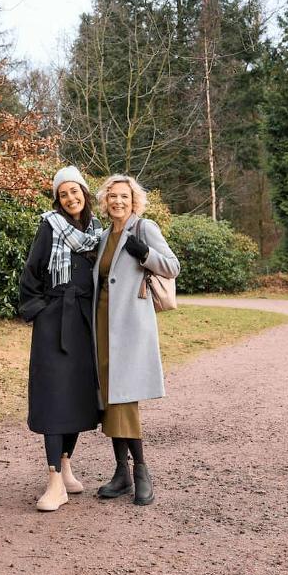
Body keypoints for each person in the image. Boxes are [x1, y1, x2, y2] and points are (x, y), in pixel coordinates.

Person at [19, 165, 103, 512]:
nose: (70, 198)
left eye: (75, 191)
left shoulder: (97, 232)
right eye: (63, 193)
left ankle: (66, 464)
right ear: (57, 198)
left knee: (79, 397)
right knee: (54, 396)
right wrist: (42, 311)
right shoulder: (49, 226)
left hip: (84, 323)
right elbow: (31, 273)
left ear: (85, 192)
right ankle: (54, 480)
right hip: (55, 322)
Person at [92, 174, 180, 506]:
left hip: (128, 327)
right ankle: (121, 473)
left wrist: (145, 254)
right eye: (112, 196)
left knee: (124, 399)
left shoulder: (144, 229)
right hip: (101, 327)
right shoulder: (102, 237)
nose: (117, 201)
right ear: (105, 200)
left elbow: (173, 266)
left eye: (124, 197)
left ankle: (141, 471)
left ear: (134, 200)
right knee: (110, 399)